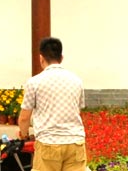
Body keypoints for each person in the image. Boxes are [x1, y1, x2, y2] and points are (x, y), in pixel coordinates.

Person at [17, 37, 86, 171]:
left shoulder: (34, 82)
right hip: (75, 143)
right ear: (62, 57)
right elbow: (77, 111)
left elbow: (24, 118)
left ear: (41, 58)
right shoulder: (77, 81)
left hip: (48, 144)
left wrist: (24, 135)